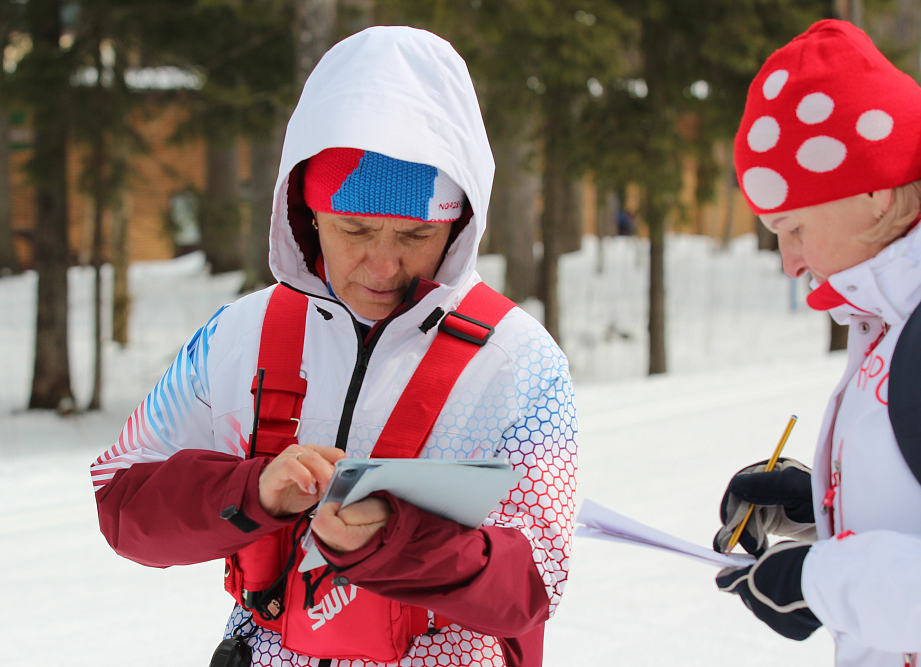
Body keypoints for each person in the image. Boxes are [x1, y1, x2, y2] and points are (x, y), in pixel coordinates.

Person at [90, 26, 577, 667]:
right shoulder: (239, 335)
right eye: (356, 229)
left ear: (460, 222)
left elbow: (535, 582)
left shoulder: (518, 362)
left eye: (415, 235)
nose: (383, 265)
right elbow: (122, 502)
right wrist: (254, 492)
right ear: (309, 210)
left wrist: (396, 541)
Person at [711, 19, 921, 666]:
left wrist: (823, 583)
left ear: (874, 194)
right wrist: (820, 505)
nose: (790, 262)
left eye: (794, 228)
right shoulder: (892, 315)